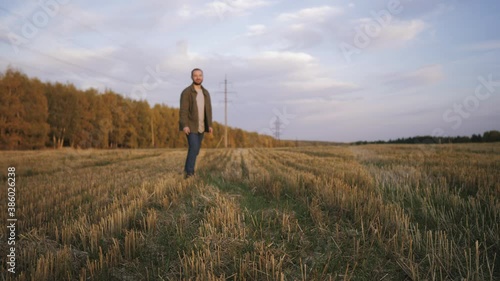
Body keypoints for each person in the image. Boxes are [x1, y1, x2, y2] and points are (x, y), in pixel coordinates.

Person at [179, 68, 213, 178]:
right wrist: (184, 125)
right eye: (195, 75)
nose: (198, 77)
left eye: (200, 75)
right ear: (192, 77)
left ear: (203, 77)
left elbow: (208, 110)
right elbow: (183, 110)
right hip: (191, 126)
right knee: (193, 148)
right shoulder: (187, 92)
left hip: (202, 126)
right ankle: (189, 173)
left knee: (196, 150)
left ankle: (187, 169)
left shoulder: (206, 93)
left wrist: (210, 125)